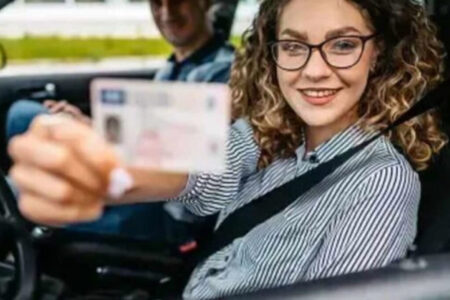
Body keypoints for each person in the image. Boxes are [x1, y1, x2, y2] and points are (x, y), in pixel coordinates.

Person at [8, 0, 447, 299]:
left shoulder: (383, 181)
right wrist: (105, 171)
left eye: (344, 45)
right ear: (272, 55)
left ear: (381, 55)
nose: (314, 70)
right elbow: (202, 170)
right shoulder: (267, 131)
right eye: (293, 46)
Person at [6, 0, 234, 244]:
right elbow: (153, 133)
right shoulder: (172, 68)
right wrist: (88, 124)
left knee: (22, 191)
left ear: (205, 3)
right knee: (26, 117)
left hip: (169, 211)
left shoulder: (226, 72)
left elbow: (198, 154)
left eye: (178, 2)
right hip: (139, 192)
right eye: (157, 3)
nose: (167, 13)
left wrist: (97, 134)